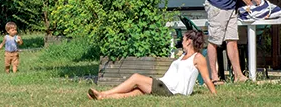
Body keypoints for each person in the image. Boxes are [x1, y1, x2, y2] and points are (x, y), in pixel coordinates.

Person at [87, 30, 216, 100]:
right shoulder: (183, 55)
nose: (181, 41)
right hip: (164, 85)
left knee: (136, 78)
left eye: (183, 39)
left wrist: (214, 95)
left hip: (171, 91)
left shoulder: (198, 58)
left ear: (189, 41)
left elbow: (206, 78)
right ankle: (103, 97)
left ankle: (104, 92)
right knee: (135, 92)